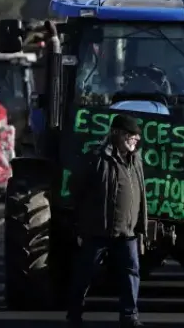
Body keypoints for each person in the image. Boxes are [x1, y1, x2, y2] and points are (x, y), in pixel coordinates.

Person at [67, 114, 147, 327]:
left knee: (131, 272)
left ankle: (130, 316)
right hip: (98, 231)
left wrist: (140, 227)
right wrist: (82, 223)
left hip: (127, 232)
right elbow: (76, 189)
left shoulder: (136, 160)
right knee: (85, 273)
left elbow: (140, 193)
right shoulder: (96, 158)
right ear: (117, 133)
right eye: (131, 135)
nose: (136, 139)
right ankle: (74, 313)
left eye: (137, 136)